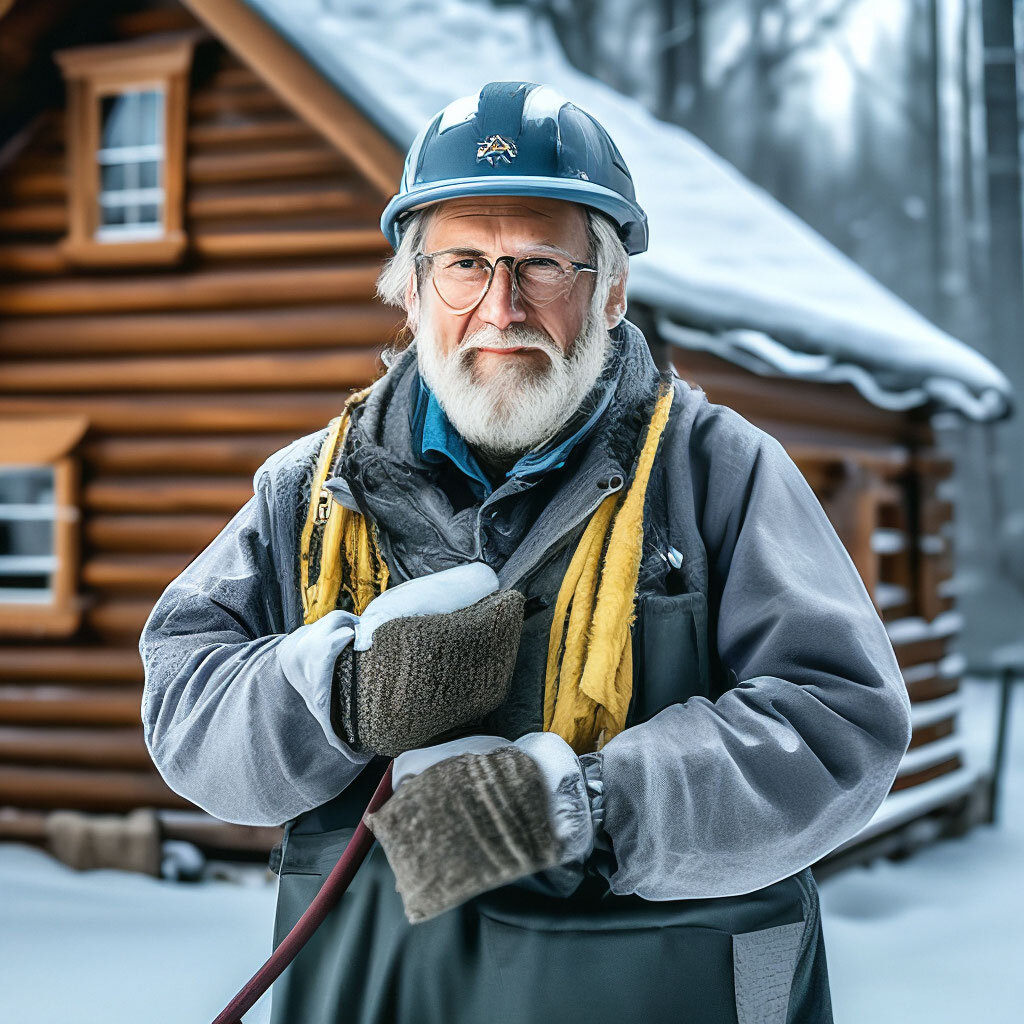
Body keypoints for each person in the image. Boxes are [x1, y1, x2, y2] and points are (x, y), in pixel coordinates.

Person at [139, 81, 912, 1024]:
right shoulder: (308, 491)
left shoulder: (719, 471)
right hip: (379, 987)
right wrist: (339, 698)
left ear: (613, 289)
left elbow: (840, 727)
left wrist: (580, 808)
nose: (501, 307)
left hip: (659, 990)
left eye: (543, 263)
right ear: (412, 288)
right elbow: (184, 700)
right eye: (465, 262)